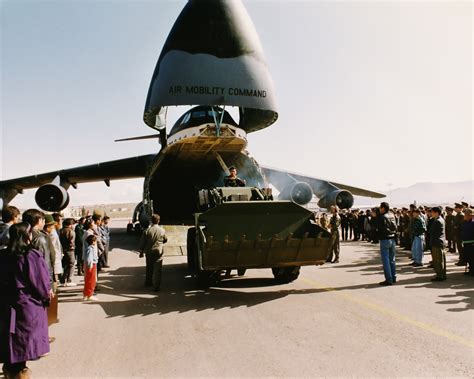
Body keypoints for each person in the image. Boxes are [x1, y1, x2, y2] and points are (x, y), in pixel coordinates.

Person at [0, 223, 51, 379]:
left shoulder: (3, 255)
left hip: (7, 303)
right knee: (23, 342)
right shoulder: (30, 255)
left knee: (12, 339)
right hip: (27, 305)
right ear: (27, 236)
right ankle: (18, 372)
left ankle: (10, 369)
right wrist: (46, 297)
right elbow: (40, 282)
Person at [139, 214, 167, 291]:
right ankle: (157, 286)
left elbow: (142, 242)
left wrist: (141, 252)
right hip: (159, 251)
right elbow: (165, 239)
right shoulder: (162, 230)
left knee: (149, 267)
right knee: (158, 269)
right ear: (158, 221)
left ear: (151, 221)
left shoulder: (147, 231)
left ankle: (148, 282)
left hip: (149, 251)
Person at [377, 202, 398, 286]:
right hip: (392, 238)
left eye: (380, 208)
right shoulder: (392, 215)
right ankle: (393, 277)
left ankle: (388, 279)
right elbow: (395, 227)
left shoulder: (382, 217)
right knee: (392, 260)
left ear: (383, 208)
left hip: (385, 239)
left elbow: (379, 227)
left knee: (386, 261)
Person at [429, 206, 446, 281]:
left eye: (432, 212)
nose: (431, 214)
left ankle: (440, 276)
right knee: (441, 260)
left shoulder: (437, 221)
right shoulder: (441, 219)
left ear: (436, 213)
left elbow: (431, 232)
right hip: (441, 242)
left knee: (437, 260)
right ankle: (442, 275)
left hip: (437, 242)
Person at [59, 218, 76, 286]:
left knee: (66, 265)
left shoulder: (61, 230)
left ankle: (63, 280)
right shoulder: (70, 231)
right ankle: (69, 280)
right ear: (70, 224)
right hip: (70, 250)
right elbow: (71, 241)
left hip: (63, 249)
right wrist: (72, 246)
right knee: (71, 264)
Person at [83, 234, 99, 301]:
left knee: (88, 280)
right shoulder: (90, 248)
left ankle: (86, 294)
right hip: (92, 265)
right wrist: (90, 266)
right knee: (91, 281)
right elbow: (89, 259)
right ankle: (90, 294)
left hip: (90, 265)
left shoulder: (89, 248)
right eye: (95, 241)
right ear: (93, 241)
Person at [461, 208, 474, 276]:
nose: (464, 216)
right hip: (466, 243)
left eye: (466, 215)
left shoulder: (473, 223)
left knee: (472, 258)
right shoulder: (464, 223)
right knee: (468, 257)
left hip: (472, 243)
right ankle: (470, 269)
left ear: (470, 216)